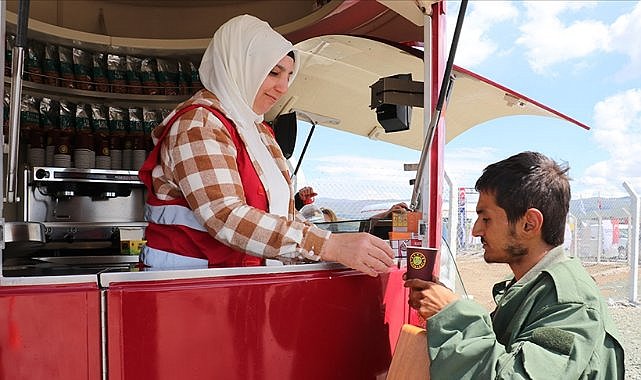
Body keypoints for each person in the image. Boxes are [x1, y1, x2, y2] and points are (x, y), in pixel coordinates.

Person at [138, 14, 394, 276]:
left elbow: (286, 217)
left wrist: (342, 246)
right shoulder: (199, 124)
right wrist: (327, 246)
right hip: (188, 288)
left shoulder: (259, 131)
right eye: (273, 73)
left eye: (289, 76)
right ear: (239, 66)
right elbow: (225, 215)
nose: (283, 87)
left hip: (241, 287)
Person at [405, 151, 624, 379]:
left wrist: (453, 316)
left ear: (529, 224)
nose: (476, 230)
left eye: (486, 218)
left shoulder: (571, 303)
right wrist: (447, 305)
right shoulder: (535, 286)